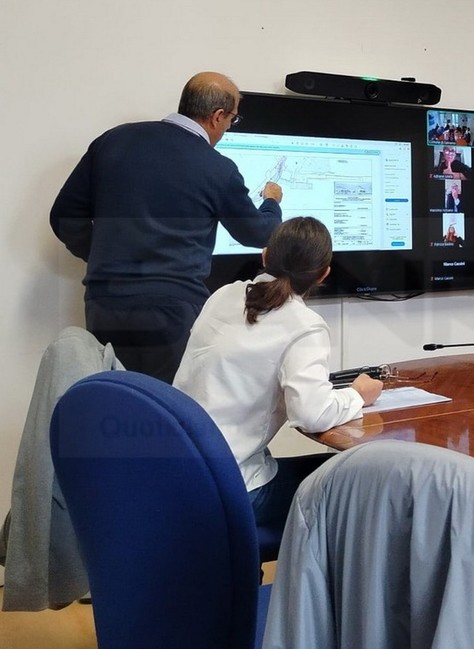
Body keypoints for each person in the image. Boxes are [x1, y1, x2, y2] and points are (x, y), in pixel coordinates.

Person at [50, 71, 284, 383]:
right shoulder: (217, 168)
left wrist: (102, 256)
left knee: (113, 395)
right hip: (171, 309)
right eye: (232, 119)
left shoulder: (112, 141)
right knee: (164, 402)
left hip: (104, 301)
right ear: (217, 116)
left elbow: (64, 216)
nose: (229, 127)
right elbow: (256, 233)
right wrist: (271, 202)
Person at [173, 217, 382, 533]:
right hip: (229, 489)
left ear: (265, 255)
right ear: (324, 274)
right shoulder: (304, 325)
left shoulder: (223, 294)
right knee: (359, 482)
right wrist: (358, 395)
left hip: (179, 475)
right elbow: (312, 414)